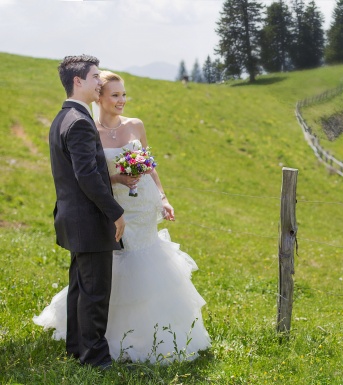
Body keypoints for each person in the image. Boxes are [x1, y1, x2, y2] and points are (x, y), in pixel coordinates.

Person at [35, 70, 211, 364]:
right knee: (107, 271)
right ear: (99, 98)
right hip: (113, 206)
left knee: (149, 261)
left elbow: (149, 164)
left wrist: (163, 197)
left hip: (141, 206)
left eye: (124, 94)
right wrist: (117, 178)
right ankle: (105, 336)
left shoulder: (136, 125)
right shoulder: (88, 128)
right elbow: (89, 173)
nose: (122, 101)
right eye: (115, 95)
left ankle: (154, 330)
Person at [42, 55, 125, 369]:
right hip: (88, 221)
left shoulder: (64, 117)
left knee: (80, 288)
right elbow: (87, 175)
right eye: (94, 77)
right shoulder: (78, 122)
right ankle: (96, 359)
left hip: (74, 219)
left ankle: (77, 348)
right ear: (78, 81)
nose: (99, 82)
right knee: (94, 292)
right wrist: (115, 212)